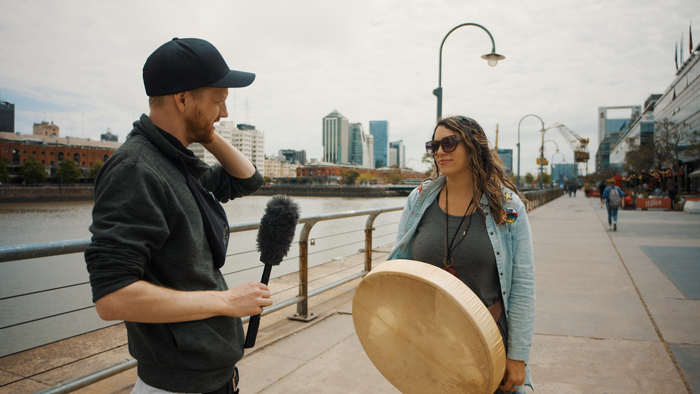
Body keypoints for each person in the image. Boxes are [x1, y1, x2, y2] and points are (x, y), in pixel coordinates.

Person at [84, 38, 270, 394]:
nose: (225, 113)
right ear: (182, 99)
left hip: (210, 377)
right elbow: (112, 297)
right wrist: (226, 301)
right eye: (219, 101)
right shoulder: (137, 170)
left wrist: (206, 132)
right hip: (176, 385)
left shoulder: (176, 163)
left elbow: (248, 179)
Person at [387, 116, 535, 393]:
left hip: (486, 344)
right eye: (434, 146)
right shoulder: (418, 199)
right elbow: (400, 270)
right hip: (427, 344)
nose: (440, 152)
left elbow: (523, 286)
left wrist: (517, 356)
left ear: (473, 146)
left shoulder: (508, 207)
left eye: (450, 143)